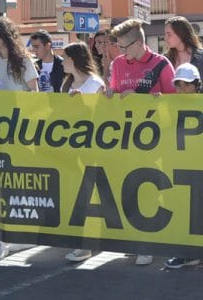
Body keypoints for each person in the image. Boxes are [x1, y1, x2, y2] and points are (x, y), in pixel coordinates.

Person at [107, 19, 175, 265]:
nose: (121, 52)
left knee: (151, 192)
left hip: (156, 141)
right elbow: (115, 96)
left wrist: (145, 100)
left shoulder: (161, 64)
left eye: (124, 46)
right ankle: (136, 240)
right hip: (126, 139)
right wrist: (109, 95)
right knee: (129, 190)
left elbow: (176, 103)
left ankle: (149, 243)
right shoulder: (117, 64)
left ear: (138, 43)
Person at [0, 16, 39, 261]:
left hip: (23, 132)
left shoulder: (23, 60)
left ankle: (22, 232)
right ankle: (7, 234)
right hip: (0, 133)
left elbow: (35, 95)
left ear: (5, 33)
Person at [61, 42, 107, 263]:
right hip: (71, 148)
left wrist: (83, 105)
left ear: (76, 59)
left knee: (89, 194)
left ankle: (87, 244)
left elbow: (102, 116)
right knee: (75, 193)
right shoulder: (66, 83)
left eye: (66, 57)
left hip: (91, 147)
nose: (63, 61)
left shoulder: (95, 83)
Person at [164, 63, 203, 270]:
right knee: (182, 211)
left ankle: (198, 253)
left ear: (197, 86)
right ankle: (186, 253)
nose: (181, 90)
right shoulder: (170, 107)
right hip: (179, 170)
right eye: (178, 85)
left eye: (186, 85)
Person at [164, 16, 203, 93]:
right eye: (165, 34)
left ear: (181, 34)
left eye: (169, 34)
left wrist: (196, 81)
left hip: (199, 104)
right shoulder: (165, 59)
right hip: (174, 104)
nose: (165, 38)